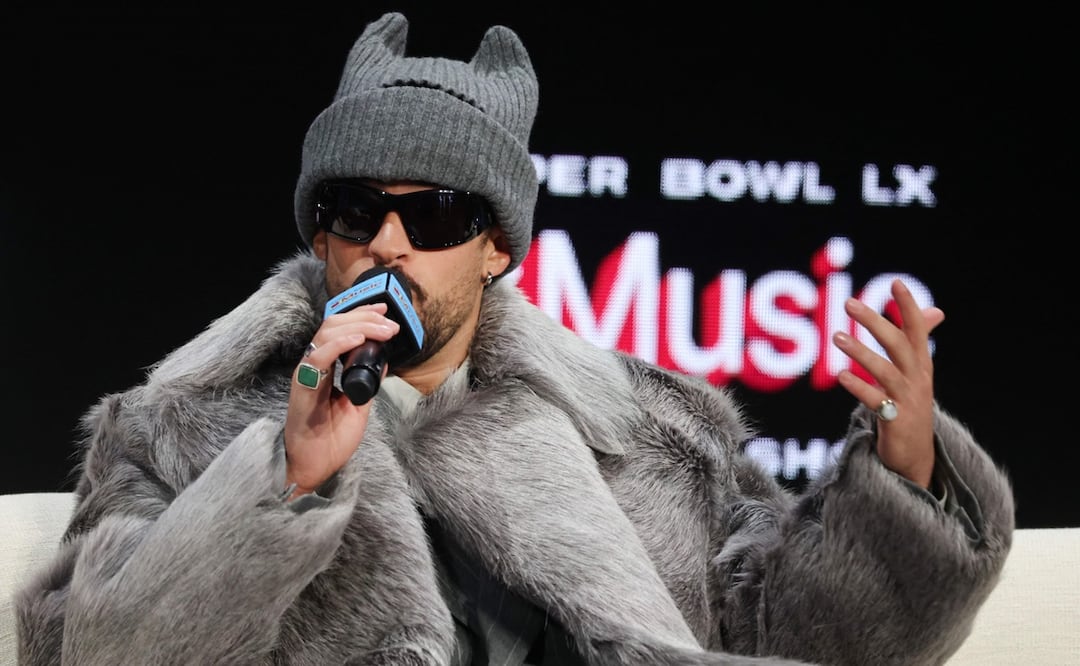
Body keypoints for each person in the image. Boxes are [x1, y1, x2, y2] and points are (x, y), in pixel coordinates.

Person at [15, 11, 1014, 666]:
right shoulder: (177, 426)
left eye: (438, 215)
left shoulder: (647, 429)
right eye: (357, 211)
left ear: (496, 249)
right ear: (322, 236)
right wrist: (284, 480)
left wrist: (906, 475)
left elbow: (798, 634)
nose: (390, 243)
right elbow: (93, 652)